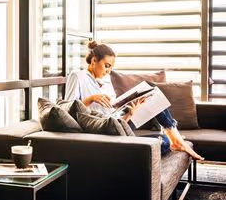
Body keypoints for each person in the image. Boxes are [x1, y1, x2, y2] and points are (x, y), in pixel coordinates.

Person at [65, 40, 204, 160]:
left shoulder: (106, 81)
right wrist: (90, 99)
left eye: (111, 67)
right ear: (94, 60)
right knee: (163, 143)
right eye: (107, 65)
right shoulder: (78, 76)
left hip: (117, 124)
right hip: (102, 129)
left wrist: (130, 112)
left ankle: (176, 140)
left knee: (153, 96)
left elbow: (113, 111)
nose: (108, 71)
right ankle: (175, 141)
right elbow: (67, 109)